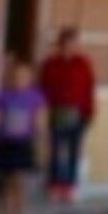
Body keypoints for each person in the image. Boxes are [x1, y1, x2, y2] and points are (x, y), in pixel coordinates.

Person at [0, 56, 44, 214]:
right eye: (17, 76)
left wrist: (40, 144)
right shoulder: (3, 96)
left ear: (30, 78)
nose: (20, 80)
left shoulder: (35, 97)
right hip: (6, 144)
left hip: (23, 143)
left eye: (25, 76)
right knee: (6, 185)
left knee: (19, 182)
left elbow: (40, 121)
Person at [37, 27, 96, 204]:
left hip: (78, 113)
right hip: (57, 111)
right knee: (55, 150)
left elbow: (89, 90)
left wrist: (88, 113)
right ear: (60, 44)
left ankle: (70, 187)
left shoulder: (83, 64)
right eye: (66, 43)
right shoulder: (50, 64)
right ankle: (55, 185)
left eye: (74, 43)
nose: (70, 47)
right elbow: (42, 88)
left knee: (73, 151)